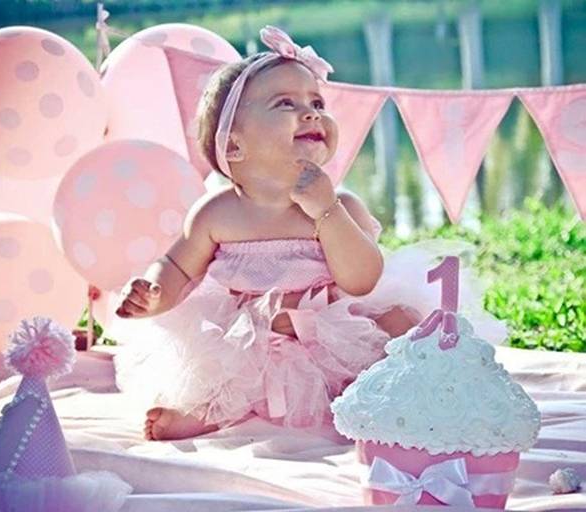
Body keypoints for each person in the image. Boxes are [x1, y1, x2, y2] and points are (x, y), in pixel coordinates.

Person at [112, 26, 506, 441]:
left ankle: (386, 394)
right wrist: (155, 294)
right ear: (234, 147)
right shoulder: (217, 213)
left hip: (331, 328)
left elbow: (362, 280)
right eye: (286, 103)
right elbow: (177, 267)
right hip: (252, 336)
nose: (312, 113)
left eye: (317, 103)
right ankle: (208, 410)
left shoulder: (342, 205)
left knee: (400, 328)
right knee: (225, 365)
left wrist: (326, 211)